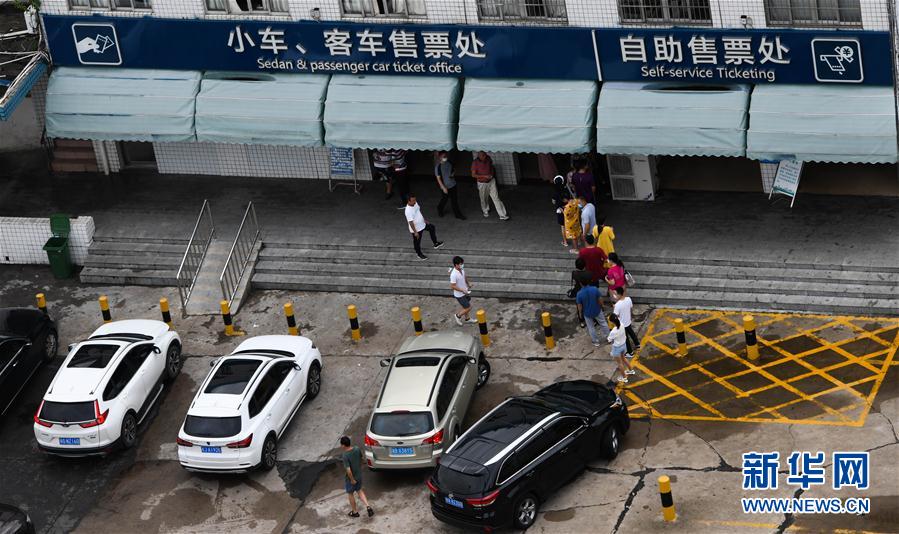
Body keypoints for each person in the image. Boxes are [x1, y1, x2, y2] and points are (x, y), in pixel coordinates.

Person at [340, 436, 374, 518]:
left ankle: (355, 512)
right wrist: (360, 467)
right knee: (359, 491)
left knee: (350, 494)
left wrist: (352, 480)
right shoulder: (356, 449)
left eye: (341, 444)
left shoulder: (345, 455)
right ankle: (368, 506)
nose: (341, 446)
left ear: (344, 445)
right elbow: (362, 459)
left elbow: (348, 470)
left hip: (351, 479)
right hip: (359, 475)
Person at [471, 151, 509, 221]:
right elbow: (473, 175)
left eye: (485, 154)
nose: (485, 156)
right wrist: (484, 176)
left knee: (496, 198)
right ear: (478, 156)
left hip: (491, 181)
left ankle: (503, 215)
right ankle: (485, 210)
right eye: (483, 155)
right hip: (482, 183)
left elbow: (491, 167)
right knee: (484, 198)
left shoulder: (488, 158)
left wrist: (491, 174)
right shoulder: (475, 163)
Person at [404, 194, 444, 260]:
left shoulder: (415, 203)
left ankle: (435, 243)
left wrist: (424, 220)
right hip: (416, 229)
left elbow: (418, 212)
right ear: (408, 201)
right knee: (417, 241)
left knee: (432, 228)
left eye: (415, 199)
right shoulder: (408, 211)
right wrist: (415, 232)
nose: (415, 201)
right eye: (413, 200)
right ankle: (419, 254)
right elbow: (410, 222)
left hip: (422, 224)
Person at [576, 282, 609, 347]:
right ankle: (609, 338)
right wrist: (602, 306)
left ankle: (596, 341)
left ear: (580, 283)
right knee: (603, 323)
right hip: (597, 310)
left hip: (587, 313)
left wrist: (580, 314)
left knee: (591, 327)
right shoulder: (595, 289)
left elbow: (579, 306)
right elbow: (600, 299)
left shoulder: (579, 293)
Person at [435, 151, 465, 219]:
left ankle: (458, 215)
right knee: (444, 199)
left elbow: (454, 169)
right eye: (444, 156)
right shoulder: (438, 167)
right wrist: (443, 188)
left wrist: (453, 174)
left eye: (445, 156)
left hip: (453, 184)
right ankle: (440, 208)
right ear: (440, 157)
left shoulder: (449, 163)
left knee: (454, 201)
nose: (445, 158)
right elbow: (438, 179)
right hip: (445, 187)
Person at [607, 314, 635, 383]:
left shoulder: (613, 331)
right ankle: (631, 370)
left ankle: (624, 377)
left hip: (617, 348)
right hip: (623, 345)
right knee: (624, 358)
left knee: (620, 363)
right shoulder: (622, 324)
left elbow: (609, 340)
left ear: (612, 322)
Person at [450, 256, 477, 326]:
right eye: (460, 264)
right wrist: (461, 290)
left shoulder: (461, 269)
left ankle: (467, 319)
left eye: (462, 263)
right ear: (456, 265)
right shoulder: (453, 274)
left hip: (465, 292)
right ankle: (458, 316)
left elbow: (464, 277)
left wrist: (468, 284)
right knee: (468, 307)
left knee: (465, 306)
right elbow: (452, 286)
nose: (462, 265)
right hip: (459, 295)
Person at [613, 286, 640, 352]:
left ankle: (630, 352)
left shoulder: (617, 305)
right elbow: (630, 309)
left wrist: (614, 307)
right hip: (628, 321)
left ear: (619, 294)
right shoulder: (628, 299)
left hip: (622, 324)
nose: (614, 295)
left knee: (625, 338)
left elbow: (615, 316)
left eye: (615, 294)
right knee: (631, 333)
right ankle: (637, 344)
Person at [570, 257, 593, 328]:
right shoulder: (589, 273)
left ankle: (581, 321)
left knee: (579, 307)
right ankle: (592, 319)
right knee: (589, 305)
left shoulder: (574, 273)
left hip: (578, 292)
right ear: (585, 265)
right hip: (588, 292)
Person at [552, 175, 573, 246]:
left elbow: (554, 202)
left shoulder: (555, 192)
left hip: (560, 211)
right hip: (568, 209)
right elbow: (570, 199)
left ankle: (565, 242)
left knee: (563, 226)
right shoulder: (566, 190)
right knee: (571, 224)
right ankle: (575, 240)